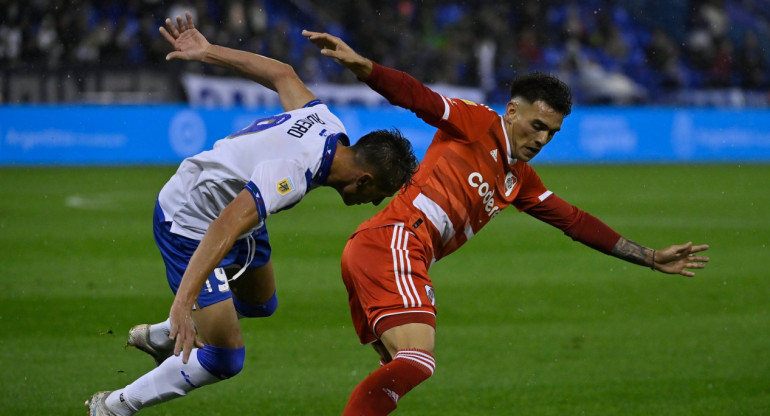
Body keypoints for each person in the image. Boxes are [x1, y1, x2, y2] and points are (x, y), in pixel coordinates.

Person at [301, 30, 711, 415]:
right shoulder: (476, 123)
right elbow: (417, 97)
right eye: (536, 126)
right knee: (417, 360)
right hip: (396, 243)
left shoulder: (520, 180)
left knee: (398, 365)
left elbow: (575, 221)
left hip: (388, 250)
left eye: (551, 133)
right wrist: (362, 66)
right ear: (512, 111)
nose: (541, 140)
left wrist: (650, 257)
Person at [85, 13, 418, 416]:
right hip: (190, 219)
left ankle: (161, 335)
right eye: (378, 195)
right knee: (225, 358)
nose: (374, 204)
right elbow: (225, 224)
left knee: (261, 302)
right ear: (363, 181)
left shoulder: (328, 123)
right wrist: (183, 300)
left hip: (236, 207)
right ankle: (114, 407)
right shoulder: (294, 173)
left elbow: (282, 73)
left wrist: (208, 51)